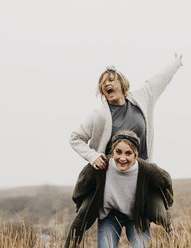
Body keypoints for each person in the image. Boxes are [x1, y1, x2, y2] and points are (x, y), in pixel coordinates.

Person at [65, 54, 182, 247]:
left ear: (121, 82)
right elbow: (74, 137)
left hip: (138, 185)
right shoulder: (99, 116)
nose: (106, 84)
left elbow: (159, 79)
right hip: (110, 188)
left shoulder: (142, 98)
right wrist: (93, 156)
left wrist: (176, 63)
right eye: (102, 83)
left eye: (110, 79)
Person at [66, 131, 173, 248]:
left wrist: (166, 205)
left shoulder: (147, 170)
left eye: (128, 153)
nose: (122, 158)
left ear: (135, 155)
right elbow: (82, 185)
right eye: (118, 152)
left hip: (137, 217)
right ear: (112, 151)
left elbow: (166, 181)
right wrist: (81, 205)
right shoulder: (101, 166)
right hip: (109, 216)